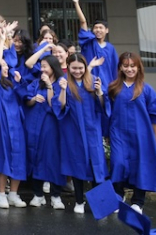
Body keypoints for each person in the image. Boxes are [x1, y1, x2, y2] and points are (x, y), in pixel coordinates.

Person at [107, 52, 156, 214]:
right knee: (118, 163)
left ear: (138, 67)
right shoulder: (114, 88)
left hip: (141, 134)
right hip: (118, 133)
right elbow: (107, 112)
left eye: (133, 66)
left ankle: (138, 201)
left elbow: (154, 114)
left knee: (140, 165)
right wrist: (107, 132)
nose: (129, 69)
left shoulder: (146, 89)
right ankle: (118, 195)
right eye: (126, 66)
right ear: (120, 67)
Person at [53, 54, 109, 213]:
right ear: (68, 67)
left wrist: (99, 92)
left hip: (92, 130)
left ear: (85, 67)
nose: (77, 71)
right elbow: (60, 107)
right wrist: (62, 90)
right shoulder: (64, 81)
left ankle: (101, 204)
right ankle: (79, 201)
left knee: (96, 166)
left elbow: (103, 107)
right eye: (74, 68)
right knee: (76, 165)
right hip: (73, 131)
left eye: (80, 68)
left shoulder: (93, 80)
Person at [0, 26, 28, 210]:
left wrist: (19, 82)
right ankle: (1, 194)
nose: (4, 67)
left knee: (18, 156)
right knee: (3, 157)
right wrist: (3, 39)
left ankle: (14, 194)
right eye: (0, 65)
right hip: (1, 125)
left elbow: (24, 96)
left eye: (6, 65)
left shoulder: (13, 81)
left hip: (16, 124)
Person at [25, 55, 67, 209]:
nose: (42, 69)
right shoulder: (36, 83)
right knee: (36, 157)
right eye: (41, 66)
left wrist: (49, 86)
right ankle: (38, 195)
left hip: (52, 127)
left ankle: (56, 196)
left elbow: (55, 105)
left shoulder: (61, 82)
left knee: (53, 159)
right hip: (35, 126)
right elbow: (27, 101)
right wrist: (33, 99)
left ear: (53, 67)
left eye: (45, 66)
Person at [67, 0, 119, 88]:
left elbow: (115, 68)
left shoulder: (110, 48)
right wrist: (76, 3)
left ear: (107, 30)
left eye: (101, 28)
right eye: (96, 28)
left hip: (106, 85)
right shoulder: (88, 41)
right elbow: (83, 22)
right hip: (88, 83)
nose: (98, 30)